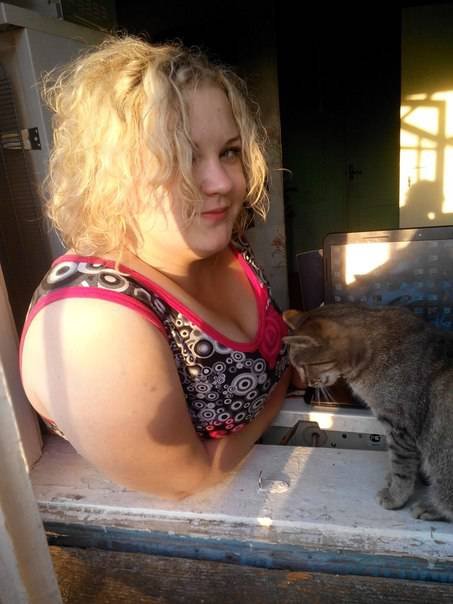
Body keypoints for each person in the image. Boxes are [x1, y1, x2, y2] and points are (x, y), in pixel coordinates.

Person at [20, 35, 296, 500]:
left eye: (229, 151)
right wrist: (282, 386)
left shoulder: (218, 242)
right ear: (111, 171)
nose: (222, 182)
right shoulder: (94, 323)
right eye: (182, 156)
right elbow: (186, 480)